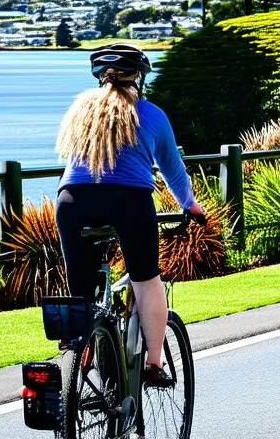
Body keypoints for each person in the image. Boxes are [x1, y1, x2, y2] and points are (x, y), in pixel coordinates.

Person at [55, 44, 204, 386]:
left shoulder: (81, 111)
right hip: (127, 200)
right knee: (145, 279)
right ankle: (154, 363)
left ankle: (79, 352)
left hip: (72, 201)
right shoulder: (150, 114)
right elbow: (173, 171)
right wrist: (190, 205)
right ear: (138, 78)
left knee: (79, 286)